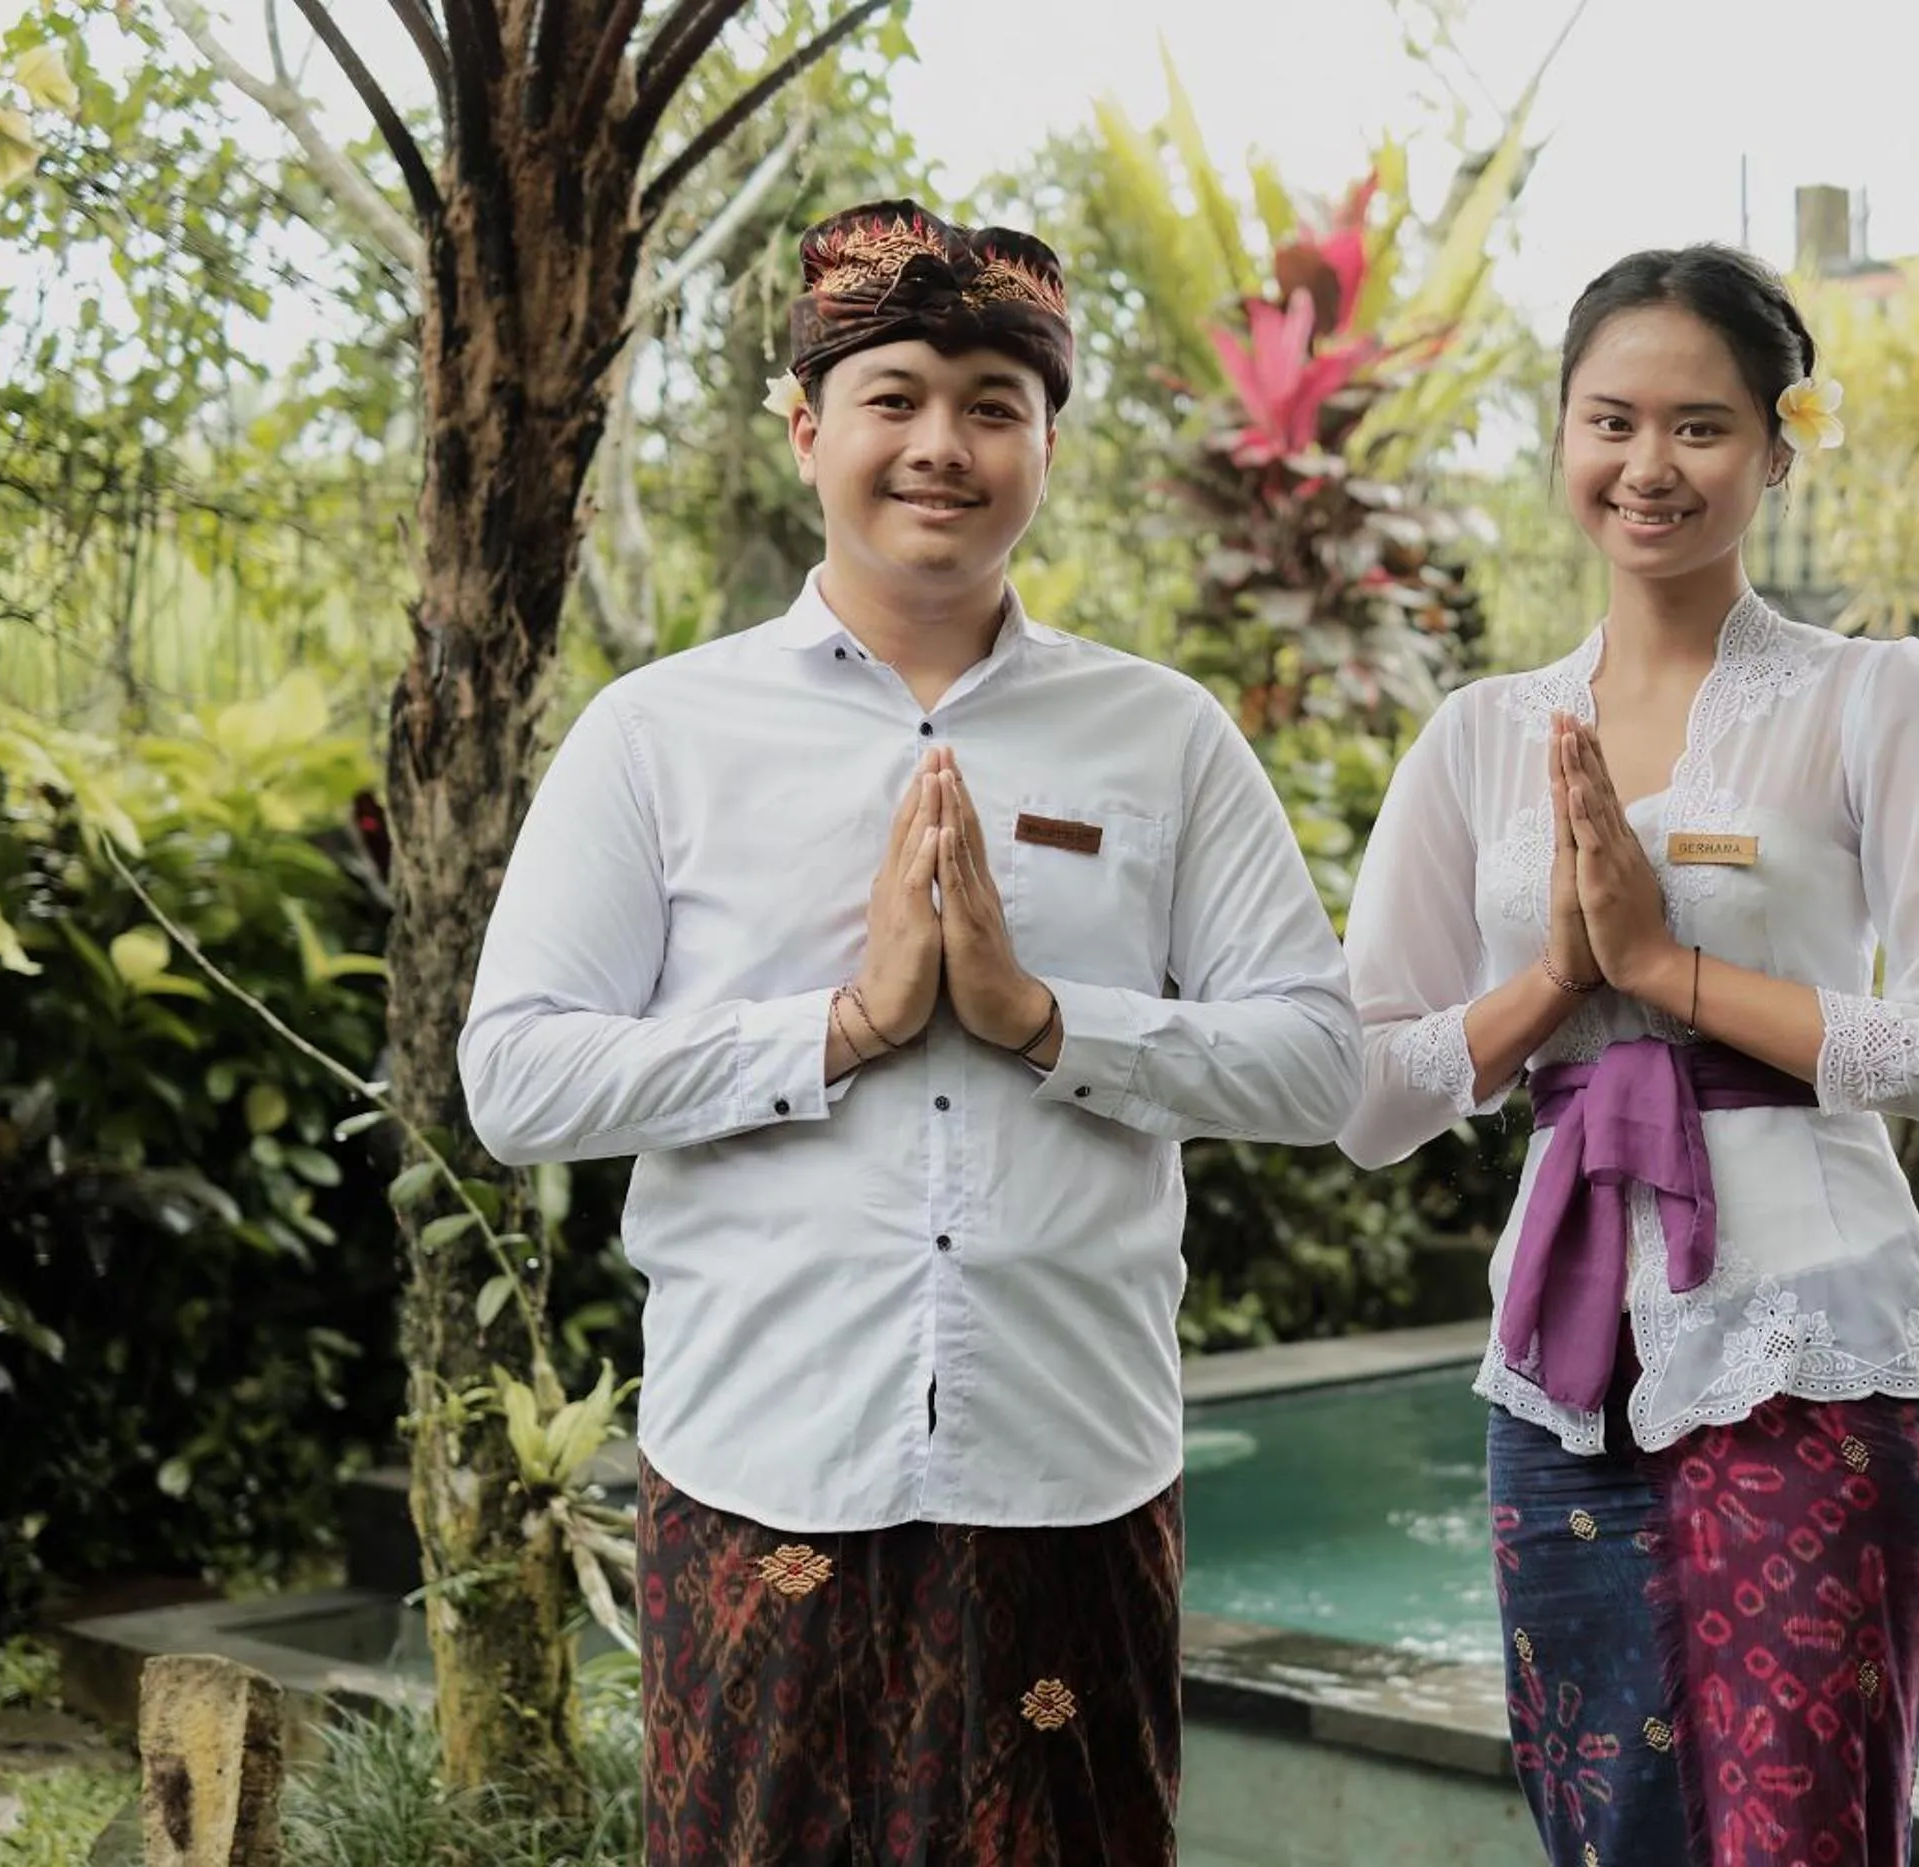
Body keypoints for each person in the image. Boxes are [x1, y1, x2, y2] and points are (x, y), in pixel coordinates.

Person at [458, 198, 1362, 1867]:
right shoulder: (660, 735)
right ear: (809, 428)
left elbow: (1320, 1058)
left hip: (1069, 1474)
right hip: (763, 1466)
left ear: (1045, 444)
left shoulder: (1159, 736)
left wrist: (1041, 1019)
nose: (941, 443)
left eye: (993, 404)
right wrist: (843, 1026)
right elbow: (515, 1075)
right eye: (895, 396)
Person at [1337, 243, 1919, 1865]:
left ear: (1781, 447)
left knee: (1802, 1834)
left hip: (1815, 1344)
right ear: (1563, 434)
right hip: (1561, 1368)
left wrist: (1668, 968)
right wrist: (1557, 985)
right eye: (1613, 420)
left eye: (1703, 427)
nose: (1650, 467)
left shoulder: (1883, 699)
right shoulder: (1476, 740)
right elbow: (1364, 1097)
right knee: (1604, 1823)